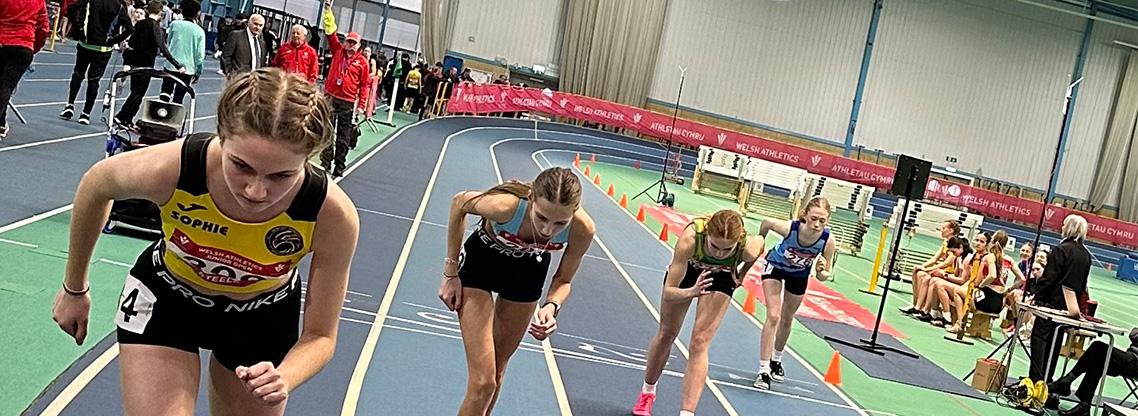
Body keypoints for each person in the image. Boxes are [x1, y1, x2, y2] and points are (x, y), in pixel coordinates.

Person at [51, 68, 360, 415]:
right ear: (221, 138)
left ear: (309, 159)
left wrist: (284, 377)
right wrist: (74, 287)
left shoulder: (331, 215)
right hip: (168, 302)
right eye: (241, 166)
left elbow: (321, 335)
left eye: (281, 176)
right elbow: (96, 185)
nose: (256, 191)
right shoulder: (172, 168)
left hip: (260, 320)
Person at [439, 167, 595, 416]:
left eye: (559, 224)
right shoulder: (505, 207)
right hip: (483, 264)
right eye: (542, 218)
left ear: (573, 213)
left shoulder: (582, 229)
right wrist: (450, 273)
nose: (547, 230)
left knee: (498, 373)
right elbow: (459, 203)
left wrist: (551, 306)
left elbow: (564, 279)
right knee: (483, 382)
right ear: (531, 198)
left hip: (527, 272)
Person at [634, 210, 765, 416]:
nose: (719, 254)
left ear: (738, 241)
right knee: (667, 333)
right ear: (707, 237)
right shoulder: (690, 239)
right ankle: (647, 392)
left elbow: (760, 242)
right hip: (689, 272)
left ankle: (687, 413)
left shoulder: (747, 248)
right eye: (714, 246)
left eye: (727, 249)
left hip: (721, 276)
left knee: (700, 342)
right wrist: (692, 292)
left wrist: (741, 273)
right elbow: (669, 292)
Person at [753, 196, 836, 390]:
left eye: (822, 221)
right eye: (814, 218)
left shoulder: (827, 241)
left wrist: (822, 271)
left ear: (828, 220)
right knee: (773, 315)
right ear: (805, 215)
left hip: (799, 275)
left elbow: (824, 275)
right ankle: (763, 370)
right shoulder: (790, 228)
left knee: (787, 318)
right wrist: (760, 241)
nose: (817, 224)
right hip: (775, 267)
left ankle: (776, 360)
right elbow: (766, 223)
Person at [1029, 215, 1091, 384]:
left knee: (1040, 338)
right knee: (1056, 341)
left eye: (1064, 225)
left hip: (1050, 304)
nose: (1061, 227)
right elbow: (1083, 285)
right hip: (1069, 306)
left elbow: (1049, 278)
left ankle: (1035, 379)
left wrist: (1037, 296)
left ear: (1069, 228)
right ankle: (1047, 379)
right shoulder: (1086, 255)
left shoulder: (1061, 250)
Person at [60, 0, 134, 125]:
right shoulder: (119, 6)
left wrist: (79, 30)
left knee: (78, 75)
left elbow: (72, 9)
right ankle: (86, 114)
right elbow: (130, 28)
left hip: (85, 44)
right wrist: (114, 40)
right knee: (94, 80)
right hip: (103, 49)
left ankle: (70, 105)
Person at [318, 3, 370, 178]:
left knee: (343, 136)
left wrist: (361, 104)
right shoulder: (337, 50)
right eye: (348, 41)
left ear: (358, 45)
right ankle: (325, 163)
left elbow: (364, 85)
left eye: (353, 43)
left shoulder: (363, 62)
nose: (350, 45)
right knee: (327, 131)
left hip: (347, 102)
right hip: (330, 97)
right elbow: (330, 30)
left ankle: (340, 165)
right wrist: (327, 11)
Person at [114, 0, 184, 127]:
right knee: (138, 93)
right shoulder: (156, 28)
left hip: (133, 62)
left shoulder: (140, 24)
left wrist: (127, 61)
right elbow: (163, 49)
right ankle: (124, 117)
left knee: (135, 92)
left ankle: (124, 116)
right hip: (145, 64)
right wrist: (178, 65)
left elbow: (130, 45)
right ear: (160, 13)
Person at [1048, 328, 1138, 416]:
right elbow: (1133, 334)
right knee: (1098, 361)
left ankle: (1067, 381)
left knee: (1098, 347)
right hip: (1131, 359)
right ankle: (1084, 406)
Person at [0, 0, 50, 140]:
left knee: (4, 86)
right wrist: (34, 48)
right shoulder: (38, 1)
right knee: (6, 86)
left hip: (3, 42)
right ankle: (1, 123)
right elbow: (43, 28)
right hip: (23, 45)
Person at [899, 220, 961, 315]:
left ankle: (922, 308)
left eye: (944, 228)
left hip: (949, 274)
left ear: (951, 230)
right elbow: (935, 258)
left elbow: (947, 262)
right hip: (941, 271)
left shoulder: (955, 243)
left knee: (926, 277)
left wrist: (929, 269)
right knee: (918, 272)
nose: (941, 230)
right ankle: (916, 304)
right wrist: (922, 266)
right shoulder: (945, 242)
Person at [157, 0, 202, 105]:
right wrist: (198, 72)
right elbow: (199, 56)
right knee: (179, 95)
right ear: (198, 13)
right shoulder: (199, 31)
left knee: (165, 91)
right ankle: (173, 118)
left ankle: (160, 113)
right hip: (188, 68)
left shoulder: (174, 25)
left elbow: (168, 41)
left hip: (171, 65)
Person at [220, 13, 266, 78]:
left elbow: (261, 64)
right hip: (237, 80)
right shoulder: (236, 36)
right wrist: (230, 74)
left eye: (260, 25)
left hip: (254, 82)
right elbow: (225, 56)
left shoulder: (262, 44)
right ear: (248, 23)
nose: (258, 27)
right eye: (255, 24)